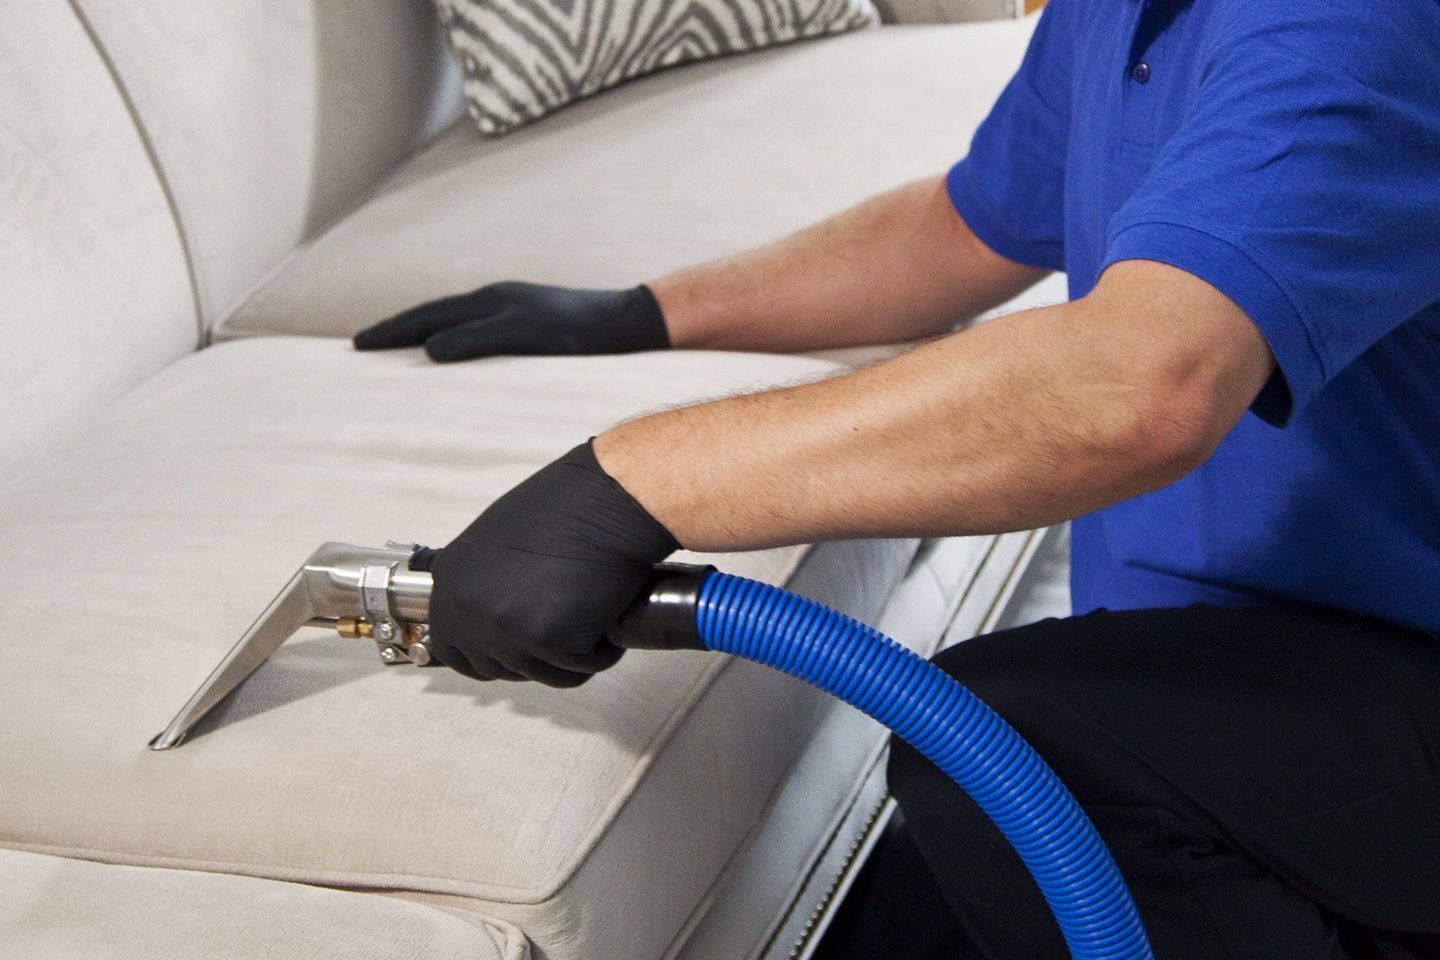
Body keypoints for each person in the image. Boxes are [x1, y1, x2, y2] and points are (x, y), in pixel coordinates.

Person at [353, 0, 1440, 954]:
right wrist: (642, 312)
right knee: (906, 912)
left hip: (1398, 665)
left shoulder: (1349, 21)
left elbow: (1142, 384)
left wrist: (624, 483)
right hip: (1266, 661)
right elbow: (963, 227)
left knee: (1017, 750)